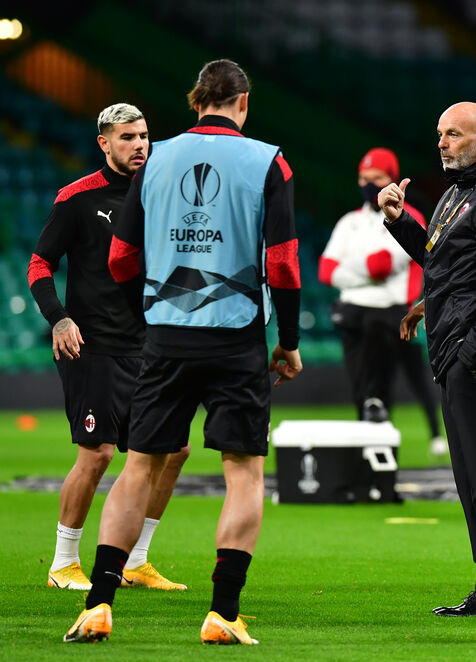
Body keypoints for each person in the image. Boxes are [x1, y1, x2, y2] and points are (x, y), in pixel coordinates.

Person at [63, 59, 303, 645]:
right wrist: (288, 342)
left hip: (166, 336)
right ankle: (222, 613)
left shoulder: (158, 158)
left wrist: (150, 312)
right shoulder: (269, 160)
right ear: (242, 103)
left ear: (197, 101)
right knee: (243, 474)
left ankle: (98, 604)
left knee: (138, 466)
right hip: (237, 336)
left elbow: (120, 259)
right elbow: (284, 265)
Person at [28, 103, 188, 593]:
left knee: (173, 450)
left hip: (150, 347)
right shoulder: (77, 198)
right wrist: (60, 318)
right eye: (127, 138)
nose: (139, 145)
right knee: (96, 455)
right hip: (91, 347)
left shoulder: (162, 194)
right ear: (105, 143)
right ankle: (62, 563)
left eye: (143, 135)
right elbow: (39, 265)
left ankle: (136, 560)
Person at [380, 101, 476, 616]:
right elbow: (439, 261)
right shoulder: (458, 194)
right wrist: (399, 223)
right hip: (455, 352)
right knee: (470, 478)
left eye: (453, 135)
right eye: (439, 133)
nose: (441, 142)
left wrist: (469, 351)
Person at [319, 147, 444, 451]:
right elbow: (326, 270)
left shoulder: (408, 216)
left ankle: (428, 436)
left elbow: (383, 265)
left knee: (396, 381)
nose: (368, 184)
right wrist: (365, 270)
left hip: (391, 315)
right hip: (353, 314)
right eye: (364, 178)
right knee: (363, 387)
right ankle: (370, 452)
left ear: (392, 178)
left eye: (377, 178)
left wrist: (350, 267)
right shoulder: (350, 221)